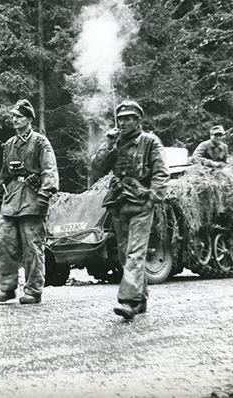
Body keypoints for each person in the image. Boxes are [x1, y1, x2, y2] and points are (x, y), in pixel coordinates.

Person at [91, 100, 169, 320]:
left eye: (128, 118)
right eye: (120, 119)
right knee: (125, 255)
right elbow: (97, 167)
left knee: (135, 253)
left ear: (138, 120)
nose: (123, 122)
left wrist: (152, 198)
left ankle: (128, 302)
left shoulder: (150, 142)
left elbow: (161, 173)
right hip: (119, 204)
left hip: (141, 203)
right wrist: (108, 144)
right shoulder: (115, 143)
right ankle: (140, 299)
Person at [0, 99, 59, 304]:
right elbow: (4, 174)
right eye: (12, 117)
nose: (14, 120)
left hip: (33, 198)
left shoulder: (40, 142)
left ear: (29, 119)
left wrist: (44, 196)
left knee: (32, 246)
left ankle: (33, 290)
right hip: (12, 200)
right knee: (3, 241)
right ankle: (7, 287)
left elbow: (49, 170)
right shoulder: (10, 144)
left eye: (18, 117)